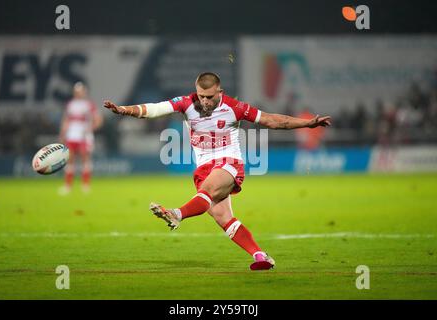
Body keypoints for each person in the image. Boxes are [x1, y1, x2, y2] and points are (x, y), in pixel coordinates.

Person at [103, 72, 331, 270]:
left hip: (228, 163)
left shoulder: (235, 107)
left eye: (209, 97)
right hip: (203, 169)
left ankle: (177, 214)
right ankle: (260, 256)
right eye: (201, 96)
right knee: (224, 218)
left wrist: (308, 123)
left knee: (209, 190)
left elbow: (272, 121)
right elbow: (154, 109)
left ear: (219, 91)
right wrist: (125, 110)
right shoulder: (187, 103)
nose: (204, 101)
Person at [59, 82, 103, 195]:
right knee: (70, 159)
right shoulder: (70, 105)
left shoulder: (89, 105)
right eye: (77, 92)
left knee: (85, 158)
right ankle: (68, 186)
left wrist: (90, 129)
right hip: (71, 135)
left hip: (84, 135)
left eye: (81, 91)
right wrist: (63, 134)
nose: (79, 93)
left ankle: (85, 185)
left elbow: (98, 119)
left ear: (84, 92)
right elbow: (66, 120)